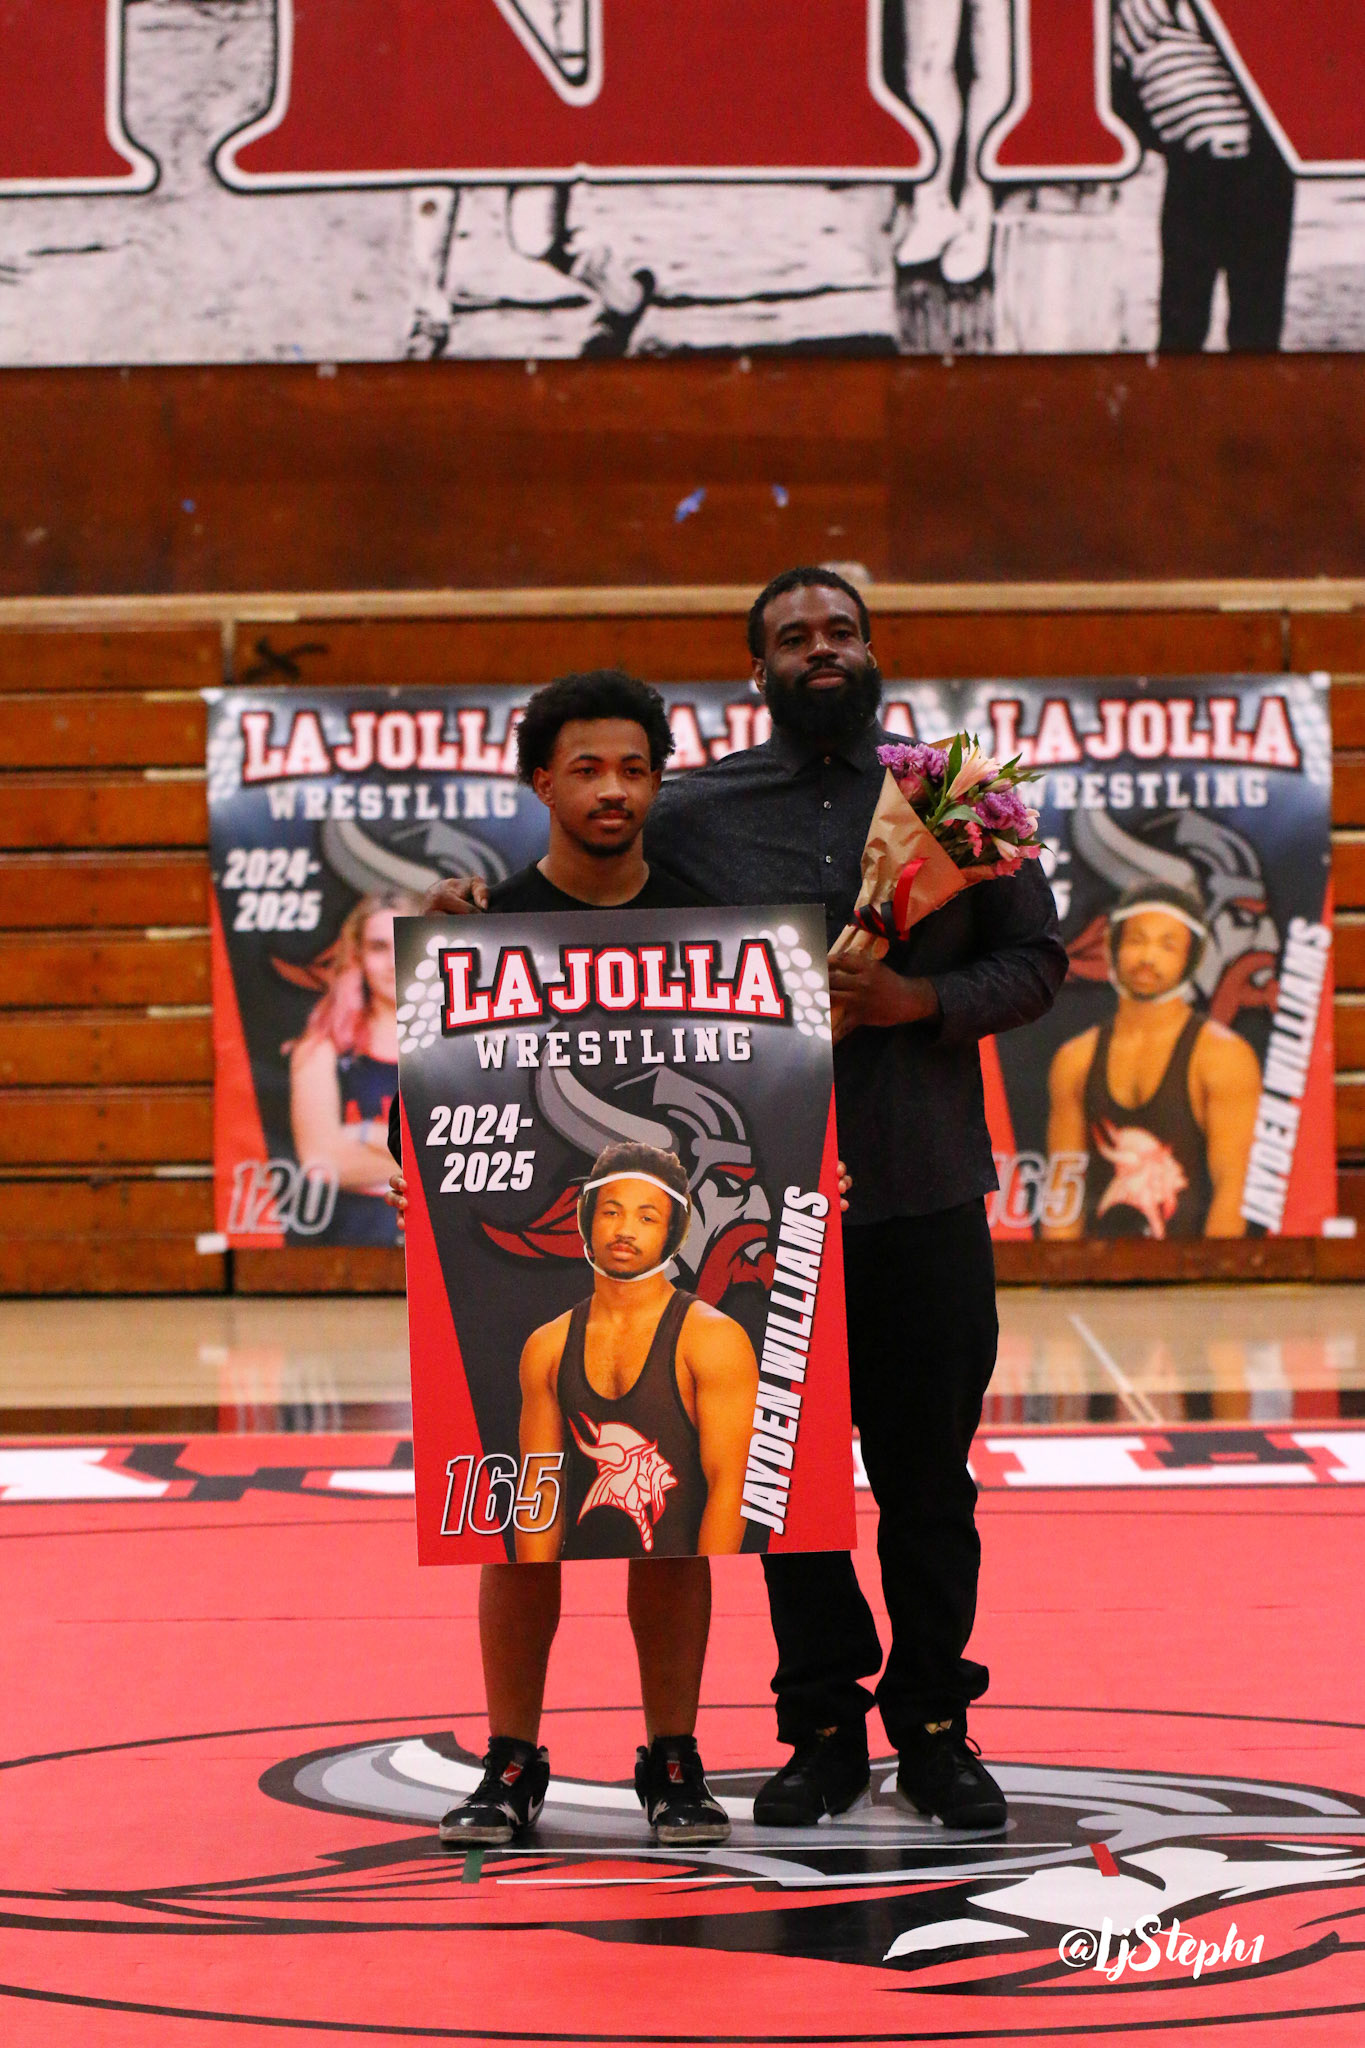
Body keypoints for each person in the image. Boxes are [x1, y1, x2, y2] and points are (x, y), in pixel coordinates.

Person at [418, 573, 1066, 1831]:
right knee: (792, 1489)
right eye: (793, 637)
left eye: (842, 631)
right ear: (757, 670)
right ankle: (820, 1727)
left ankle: (936, 1724)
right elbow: (588, 909)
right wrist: (474, 918)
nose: (823, 649)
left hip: (923, 1186)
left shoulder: (954, 799)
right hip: (770, 1217)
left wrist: (921, 1002)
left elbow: (1037, 962)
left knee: (930, 1482)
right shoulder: (700, 811)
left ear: (872, 649)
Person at [387, 670, 731, 1851]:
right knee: (518, 1514)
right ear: (542, 781)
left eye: (634, 768)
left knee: (672, 1517)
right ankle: (511, 1756)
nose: (612, 788)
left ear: (657, 783)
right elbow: (427, 1094)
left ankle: (673, 1755)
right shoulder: (482, 926)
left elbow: (771, 1095)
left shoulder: (714, 924)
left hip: (666, 1257)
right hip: (521, 1246)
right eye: (587, 767)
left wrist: (809, 1171)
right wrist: (415, 1161)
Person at [516, 1139, 759, 1560]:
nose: (625, 1230)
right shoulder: (547, 1346)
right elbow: (541, 1489)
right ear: (587, 1220)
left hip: (679, 1575)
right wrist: (531, 1581)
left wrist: (703, 1577)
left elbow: (731, 1484)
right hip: (581, 1566)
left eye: (647, 1217)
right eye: (611, 1212)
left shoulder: (712, 1339)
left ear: (672, 1235)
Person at [1044, 883, 1261, 1239]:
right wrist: (1058, 1268)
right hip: (1095, 1267)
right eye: (1137, 940)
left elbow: (1233, 1189)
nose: (1148, 957)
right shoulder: (1075, 1060)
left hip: (1190, 1267)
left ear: (1191, 958)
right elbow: (1064, 1190)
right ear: (1112, 946)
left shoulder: (1222, 1057)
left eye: (1167, 945)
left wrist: (1213, 1273)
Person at [1112, 0, 1295, 351]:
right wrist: (1170, 137)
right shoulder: (1141, 12)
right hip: (1196, 172)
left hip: (1261, 167)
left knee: (1257, 330)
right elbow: (1115, 85)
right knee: (1183, 322)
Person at [289, 891, 418, 1245]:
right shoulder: (321, 1048)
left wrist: (364, 1134)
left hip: (443, 1243)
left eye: (403, 943)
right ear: (357, 957)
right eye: (378, 947)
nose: (393, 961)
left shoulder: (461, 1044)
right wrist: (427, 1165)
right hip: (354, 1245)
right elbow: (321, 1163)